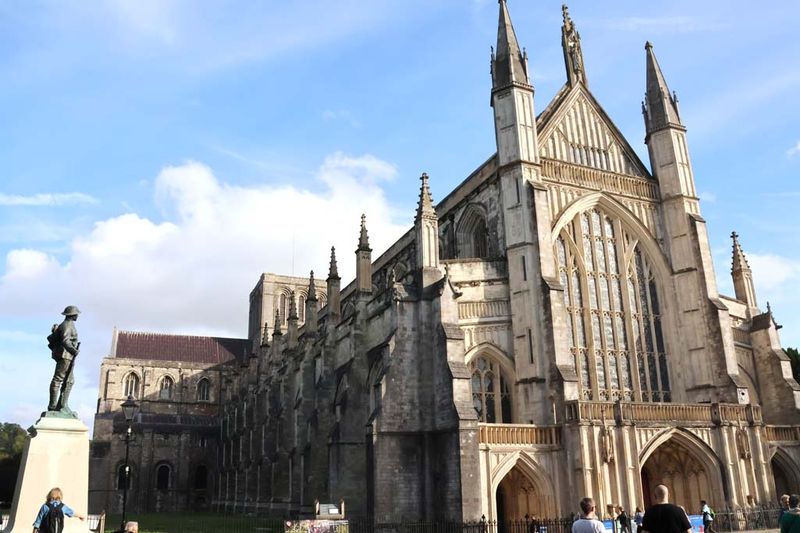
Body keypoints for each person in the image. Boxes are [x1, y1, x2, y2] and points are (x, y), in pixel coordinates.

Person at [46, 305, 81, 415]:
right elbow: (66, 341)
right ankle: (53, 406)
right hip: (66, 355)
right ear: (72, 315)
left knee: (69, 381)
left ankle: (62, 405)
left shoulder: (68, 324)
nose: (77, 316)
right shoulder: (66, 325)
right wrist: (74, 350)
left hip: (67, 356)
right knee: (58, 379)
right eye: (76, 314)